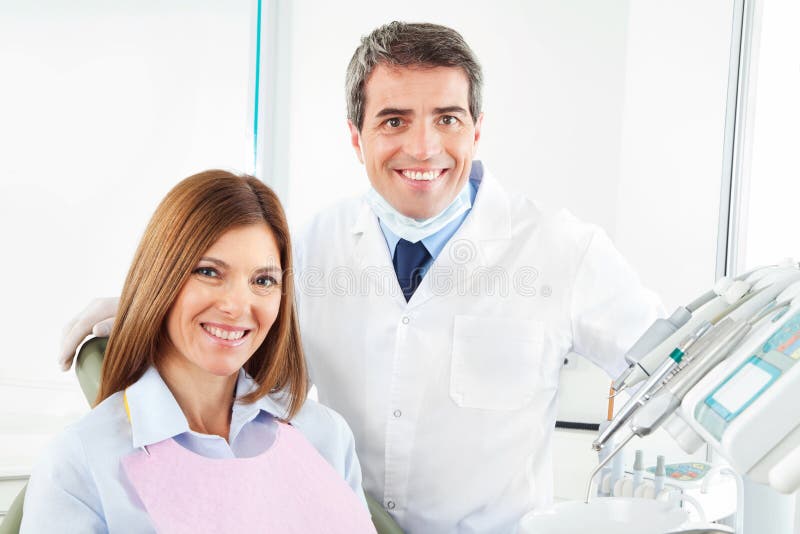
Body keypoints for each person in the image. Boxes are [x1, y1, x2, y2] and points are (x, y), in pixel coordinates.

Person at [60, 23, 663, 533]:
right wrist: (149, 304)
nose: (423, 147)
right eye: (394, 121)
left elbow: (670, 377)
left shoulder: (564, 252)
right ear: (357, 136)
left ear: (477, 129)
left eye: (447, 119)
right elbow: (237, 319)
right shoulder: (313, 246)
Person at [27, 171, 375, 533]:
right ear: (161, 278)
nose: (238, 306)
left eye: (263, 281)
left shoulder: (324, 435)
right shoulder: (82, 462)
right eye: (209, 272)